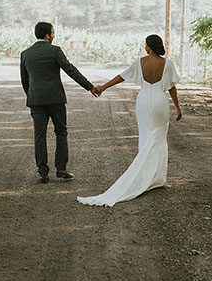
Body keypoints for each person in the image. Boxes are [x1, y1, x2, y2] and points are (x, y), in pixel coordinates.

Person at [77, 34, 182, 207]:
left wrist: (102, 87)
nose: (144, 48)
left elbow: (122, 76)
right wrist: (177, 107)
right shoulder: (167, 64)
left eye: (145, 45)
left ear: (149, 47)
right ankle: (155, 177)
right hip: (159, 101)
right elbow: (171, 87)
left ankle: (144, 176)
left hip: (143, 101)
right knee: (158, 138)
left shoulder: (140, 62)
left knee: (146, 137)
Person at [20, 21, 99, 184]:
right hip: (55, 99)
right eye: (53, 33)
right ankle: (61, 169)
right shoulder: (54, 51)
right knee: (61, 132)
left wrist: (33, 95)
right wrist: (89, 87)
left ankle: (43, 173)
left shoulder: (25, 54)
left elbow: (24, 80)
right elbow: (71, 70)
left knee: (39, 135)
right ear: (48, 35)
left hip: (36, 101)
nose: (54, 35)